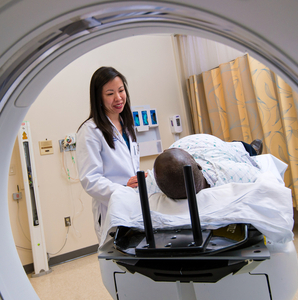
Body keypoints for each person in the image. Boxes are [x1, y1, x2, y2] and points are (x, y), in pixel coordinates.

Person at [76, 66, 145, 243]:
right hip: (110, 208)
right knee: (117, 259)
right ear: (98, 97)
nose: (118, 97)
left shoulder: (128, 125)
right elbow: (90, 179)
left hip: (134, 203)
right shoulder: (90, 131)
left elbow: (129, 166)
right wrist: (123, 189)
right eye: (110, 93)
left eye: (121, 90)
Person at [150, 134, 262, 199]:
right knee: (240, 149)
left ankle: (250, 148)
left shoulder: (150, 182)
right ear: (199, 166)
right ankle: (251, 149)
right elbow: (262, 175)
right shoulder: (233, 172)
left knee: (236, 146)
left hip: (189, 146)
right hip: (213, 146)